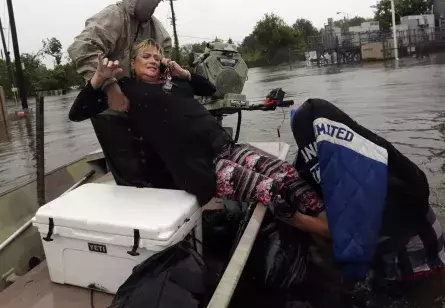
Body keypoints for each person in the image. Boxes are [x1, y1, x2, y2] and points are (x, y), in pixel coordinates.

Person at [69, 39, 324, 217]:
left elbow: (211, 90)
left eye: (157, 57)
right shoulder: (128, 90)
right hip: (203, 167)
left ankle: (326, 216)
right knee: (271, 189)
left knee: (286, 173)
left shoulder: (177, 83)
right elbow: (77, 113)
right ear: (133, 64)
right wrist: (100, 78)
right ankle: (322, 231)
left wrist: (185, 73)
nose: (153, 61)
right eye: (146, 57)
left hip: (226, 148)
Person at [286, 98, 445, 283]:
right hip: (407, 228)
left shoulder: (372, 176)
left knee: (415, 292)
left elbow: (346, 231)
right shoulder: (352, 147)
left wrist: (295, 219)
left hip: (412, 245)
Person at [67, 0, 173, 187]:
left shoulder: (157, 30)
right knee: (130, 173)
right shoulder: (113, 17)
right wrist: (109, 86)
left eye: (156, 1)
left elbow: (165, 62)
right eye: (147, 0)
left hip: (139, 104)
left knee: (156, 163)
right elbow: (81, 48)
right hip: (108, 108)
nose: (152, 6)